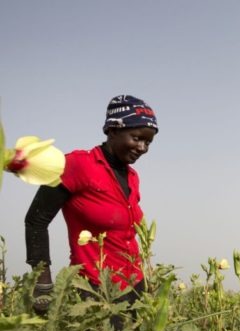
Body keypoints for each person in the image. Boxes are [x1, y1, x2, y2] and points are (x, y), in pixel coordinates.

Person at [25, 94, 158, 316]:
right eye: (136, 138)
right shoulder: (76, 165)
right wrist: (43, 285)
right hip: (93, 289)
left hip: (134, 286)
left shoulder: (132, 177)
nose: (143, 148)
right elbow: (35, 221)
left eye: (148, 142)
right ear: (113, 131)